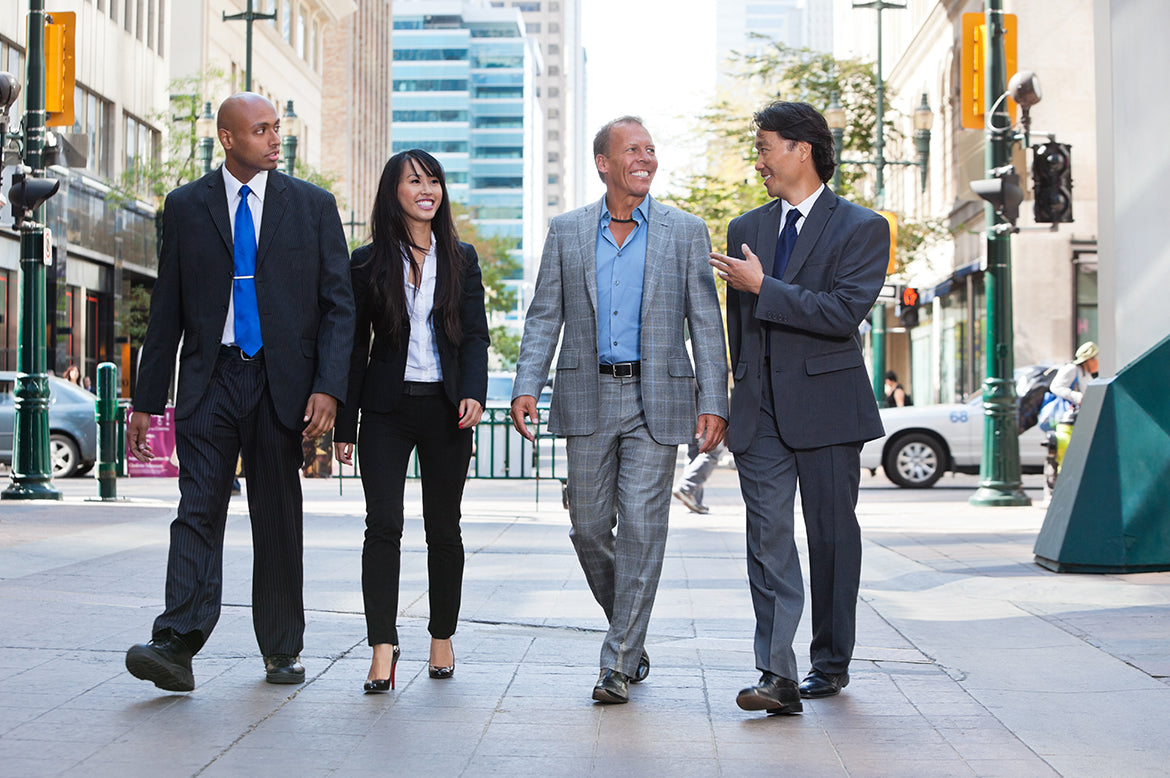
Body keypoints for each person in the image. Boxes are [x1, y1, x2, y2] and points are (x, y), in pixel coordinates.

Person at [124, 92, 354, 692]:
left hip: (283, 386)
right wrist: (147, 402)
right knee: (197, 512)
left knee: (277, 518)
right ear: (227, 138)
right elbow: (167, 308)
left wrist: (329, 388)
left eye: (277, 128)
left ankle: (281, 648)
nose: (275, 139)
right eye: (261, 130)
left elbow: (339, 308)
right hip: (211, 380)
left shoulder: (312, 207)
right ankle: (176, 641)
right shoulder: (184, 206)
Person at [510, 116, 728, 704]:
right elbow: (543, 316)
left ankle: (618, 661)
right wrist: (526, 383)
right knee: (587, 527)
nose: (646, 158)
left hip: (658, 398)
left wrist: (715, 400)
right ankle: (628, 630)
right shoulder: (569, 230)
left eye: (651, 149)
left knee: (641, 526)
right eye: (632, 149)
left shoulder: (685, 231)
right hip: (587, 394)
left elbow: (705, 323)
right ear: (603, 163)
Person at [709, 101, 888, 716]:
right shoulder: (745, 228)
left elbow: (842, 313)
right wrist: (731, 401)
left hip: (829, 409)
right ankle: (776, 673)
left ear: (801, 149)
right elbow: (741, 330)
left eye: (764, 147)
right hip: (760, 413)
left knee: (831, 539)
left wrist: (766, 288)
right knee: (768, 540)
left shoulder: (862, 227)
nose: (757, 160)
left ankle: (830, 660)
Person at [333, 150, 489, 693]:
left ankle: (441, 636)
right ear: (392, 192)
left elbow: (474, 336)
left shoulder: (462, 258)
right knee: (383, 526)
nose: (427, 189)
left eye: (434, 181)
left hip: (446, 408)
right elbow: (353, 347)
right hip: (385, 410)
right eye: (414, 180)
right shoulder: (366, 261)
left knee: (443, 527)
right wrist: (344, 425)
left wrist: (473, 391)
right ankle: (382, 646)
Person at [1050, 341, 1099, 408]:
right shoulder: (1072, 368)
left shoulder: (1087, 373)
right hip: (1068, 414)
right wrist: (1077, 397)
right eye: (1096, 359)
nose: (1098, 362)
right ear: (1089, 360)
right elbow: (1055, 387)